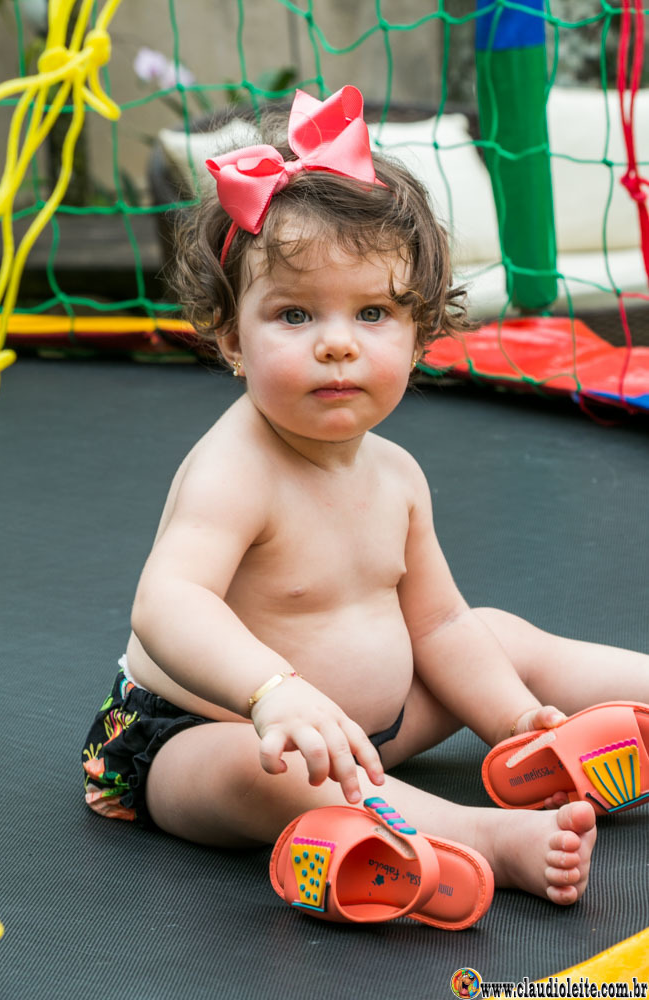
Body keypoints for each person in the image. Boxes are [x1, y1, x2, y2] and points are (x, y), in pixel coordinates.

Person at [82, 86, 649, 907]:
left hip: (370, 735)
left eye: (373, 312)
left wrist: (508, 716)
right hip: (208, 739)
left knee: (492, 635)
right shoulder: (234, 468)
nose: (337, 343)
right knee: (266, 772)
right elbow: (168, 603)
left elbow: (438, 626)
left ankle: (543, 740)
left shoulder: (397, 475)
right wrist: (272, 694)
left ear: (419, 334)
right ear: (231, 336)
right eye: (294, 315)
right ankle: (480, 836)